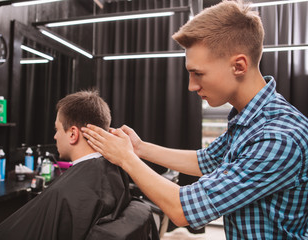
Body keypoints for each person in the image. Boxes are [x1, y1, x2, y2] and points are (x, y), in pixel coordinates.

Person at [81, 1, 308, 239]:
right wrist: (139, 149)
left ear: (239, 66)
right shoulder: (248, 121)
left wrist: (126, 159)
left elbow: (182, 209)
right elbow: (206, 161)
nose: (192, 86)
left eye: (198, 73)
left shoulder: (278, 138)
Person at [0, 90, 158, 240]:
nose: (55, 136)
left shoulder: (64, 192)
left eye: (57, 129)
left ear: (73, 134)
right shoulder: (115, 172)